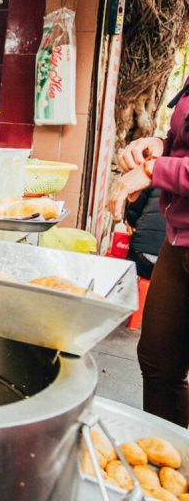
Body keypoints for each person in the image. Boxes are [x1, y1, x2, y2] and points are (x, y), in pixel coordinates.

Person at [110, 82, 189, 427]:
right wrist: (157, 146)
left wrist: (151, 171)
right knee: (158, 363)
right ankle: (166, 469)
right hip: (178, 239)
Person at [125, 187, 165, 280]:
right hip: (174, 259)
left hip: (142, 250)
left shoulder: (155, 176)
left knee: (130, 290)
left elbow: (132, 216)